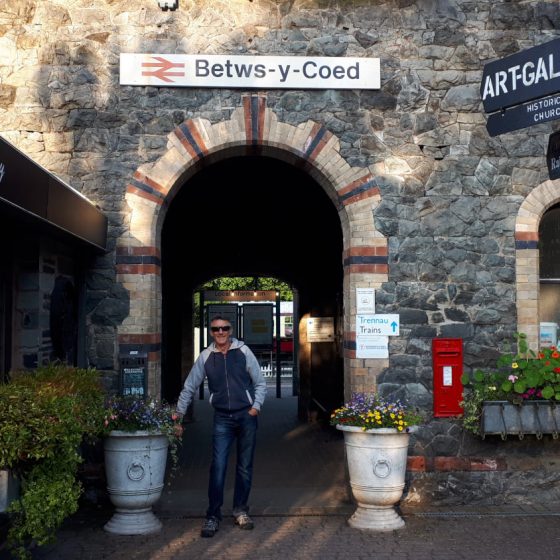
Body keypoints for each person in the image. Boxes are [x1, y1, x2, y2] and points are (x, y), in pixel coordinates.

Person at [176, 314, 267, 538]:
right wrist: (179, 413)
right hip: (222, 419)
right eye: (216, 329)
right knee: (218, 467)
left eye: (224, 328)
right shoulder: (206, 357)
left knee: (245, 467)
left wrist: (255, 406)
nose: (220, 333)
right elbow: (189, 386)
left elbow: (260, 382)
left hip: (246, 416)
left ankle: (240, 511)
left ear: (231, 330)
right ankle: (213, 516)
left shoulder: (243, 351)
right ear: (210, 332)